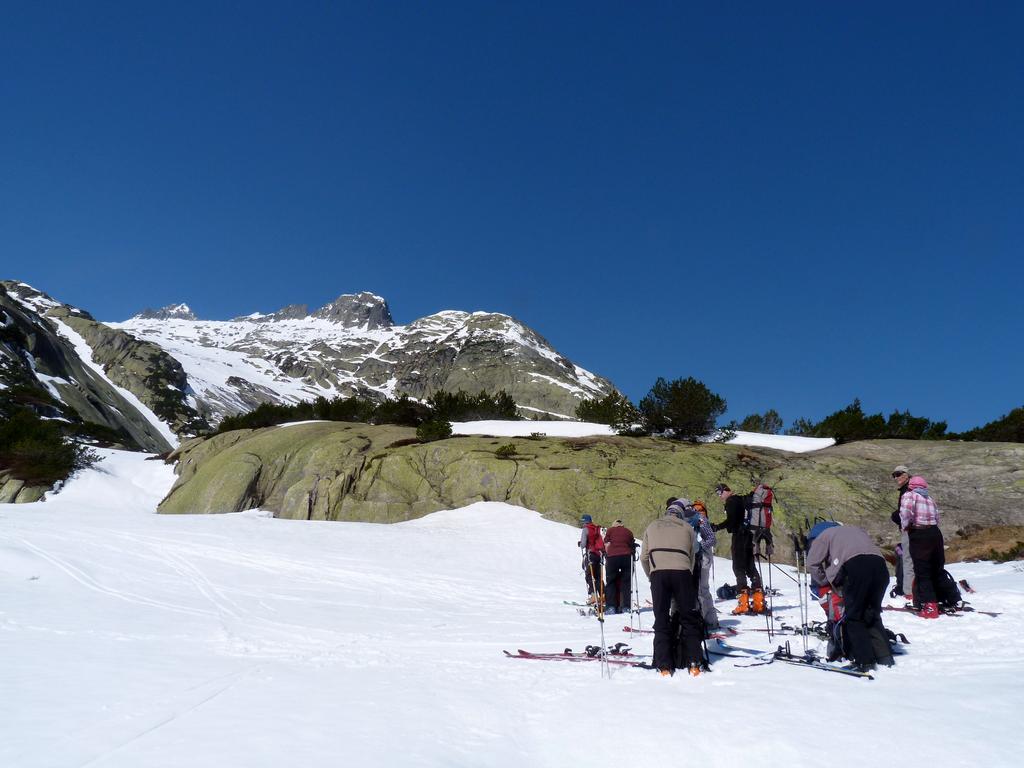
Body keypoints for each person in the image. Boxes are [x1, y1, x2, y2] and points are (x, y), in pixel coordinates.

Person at [806, 522, 894, 672]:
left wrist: (824, 581)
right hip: (880, 567)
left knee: (854, 617)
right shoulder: (856, 529)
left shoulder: (823, 536)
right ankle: (884, 657)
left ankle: (864, 662)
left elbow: (812, 563)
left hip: (856, 568)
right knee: (871, 614)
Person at [640, 502, 704, 676]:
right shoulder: (687, 527)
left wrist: (651, 574)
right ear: (681, 515)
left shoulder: (652, 526)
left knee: (661, 619)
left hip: (658, 574)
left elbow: (644, 557)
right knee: (688, 618)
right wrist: (686, 573)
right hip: (682, 573)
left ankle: (664, 665)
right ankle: (694, 662)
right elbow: (692, 556)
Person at [711, 483, 763, 615]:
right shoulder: (741, 500)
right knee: (750, 567)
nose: (719, 496)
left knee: (738, 568)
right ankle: (759, 603)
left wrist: (717, 527)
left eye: (720, 493)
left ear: (726, 491)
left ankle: (743, 604)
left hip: (739, 537)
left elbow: (732, 521)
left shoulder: (731, 501)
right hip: (749, 535)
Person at [898, 476, 945, 619]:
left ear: (911, 485)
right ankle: (946, 598)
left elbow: (905, 514)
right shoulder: (929, 498)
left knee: (922, 569)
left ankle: (930, 606)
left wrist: (905, 527)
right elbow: (937, 518)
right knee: (937, 568)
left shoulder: (909, 495)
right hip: (935, 533)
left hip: (919, 532)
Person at [681, 499, 719, 632]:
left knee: (702, 589)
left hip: (703, 558)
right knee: (694, 590)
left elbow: (711, 539)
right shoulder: (686, 520)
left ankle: (710, 621)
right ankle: (700, 619)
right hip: (692, 558)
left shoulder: (700, 519)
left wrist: (697, 547)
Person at [889, 465, 916, 602]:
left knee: (907, 559)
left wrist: (894, 516)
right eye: (894, 475)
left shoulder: (908, 490)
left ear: (906, 474)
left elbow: (904, 513)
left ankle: (909, 592)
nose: (896, 477)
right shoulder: (915, 489)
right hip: (920, 530)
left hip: (909, 529)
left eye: (898, 474)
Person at [602, 519, 636, 614]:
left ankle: (611, 607)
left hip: (613, 557)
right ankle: (626, 606)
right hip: (626, 557)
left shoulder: (610, 530)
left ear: (614, 525)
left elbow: (606, 542)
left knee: (611, 581)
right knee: (627, 582)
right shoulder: (628, 531)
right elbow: (632, 544)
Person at [579, 514, 605, 605]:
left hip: (591, 554)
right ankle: (603, 595)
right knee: (598, 576)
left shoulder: (586, 529)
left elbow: (583, 544)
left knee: (589, 575)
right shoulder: (596, 528)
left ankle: (593, 596)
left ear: (584, 521)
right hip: (599, 555)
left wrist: (580, 544)